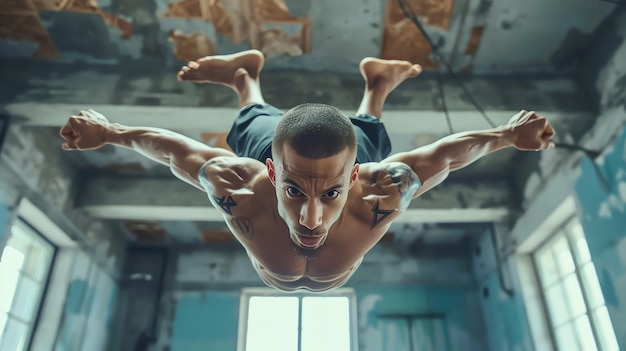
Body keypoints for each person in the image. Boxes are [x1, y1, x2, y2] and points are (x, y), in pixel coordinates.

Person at [59, 49, 556, 292]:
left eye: (332, 194)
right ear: (273, 176)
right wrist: (110, 131)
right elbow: (170, 149)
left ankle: (367, 83)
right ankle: (245, 77)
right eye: (295, 191)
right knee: (256, 127)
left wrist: (507, 136)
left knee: (366, 143)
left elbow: (446, 155)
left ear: (354, 180)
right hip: (275, 154)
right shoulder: (242, 184)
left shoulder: (377, 187)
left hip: (351, 160)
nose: (312, 218)